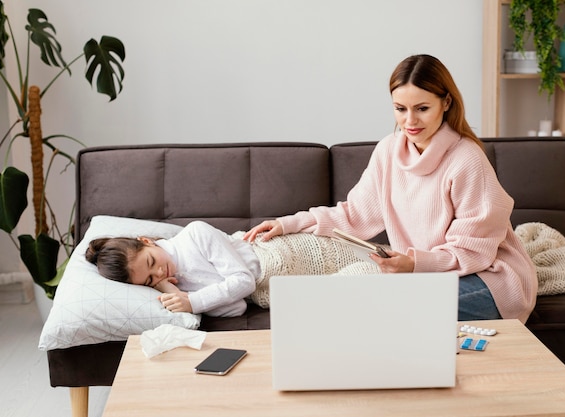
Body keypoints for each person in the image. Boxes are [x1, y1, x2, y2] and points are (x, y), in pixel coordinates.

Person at [244, 54, 538, 322]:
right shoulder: (388, 151)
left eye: (422, 108)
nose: (410, 121)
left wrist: (413, 264)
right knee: (361, 305)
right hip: (427, 277)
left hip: (490, 278)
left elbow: (474, 252)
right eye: (400, 109)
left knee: (389, 312)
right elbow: (354, 215)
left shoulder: (467, 160)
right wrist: (286, 224)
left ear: (445, 103)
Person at [86, 220, 376, 317]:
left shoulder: (195, 234)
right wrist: (171, 289)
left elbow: (243, 281)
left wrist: (192, 301)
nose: (159, 273)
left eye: (152, 263)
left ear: (146, 241)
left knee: (376, 266)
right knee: (364, 290)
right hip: (280, 289)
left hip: (290, 255)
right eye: (150, 280)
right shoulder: (180, 288)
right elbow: (236, 307)